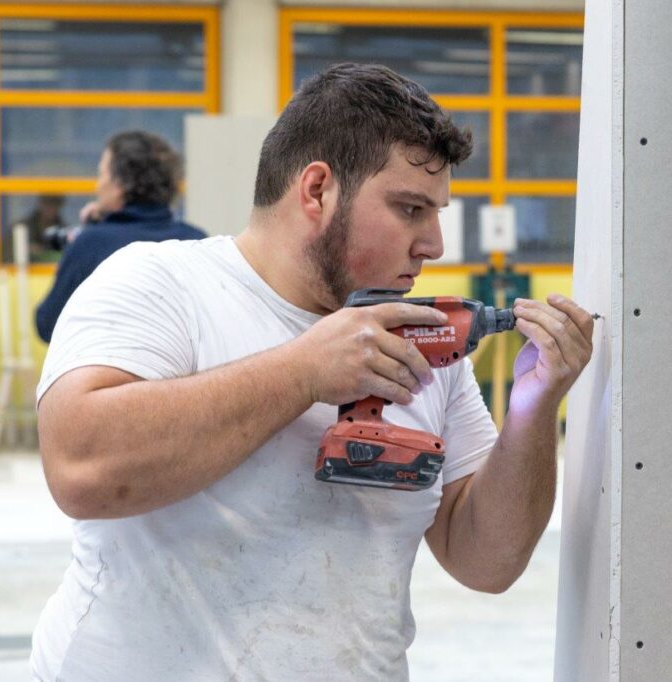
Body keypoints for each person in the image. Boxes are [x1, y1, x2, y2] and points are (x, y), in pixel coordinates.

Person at [32, 63, 593, 680]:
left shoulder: (420, 340)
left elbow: (488, 562)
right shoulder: (161, 283)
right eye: (410, 209)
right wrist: (305, 370)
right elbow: (81, 468)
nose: (433, 243)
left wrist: (535, 410)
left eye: (437, 213)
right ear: (318, 190)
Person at [34, 130, 206, 343]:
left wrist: (85, 240)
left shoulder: (90, 244)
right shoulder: (197, 241)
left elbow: (48, 325)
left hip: (117, 375)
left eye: (101, 174)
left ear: (120, 184)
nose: (97, 186)